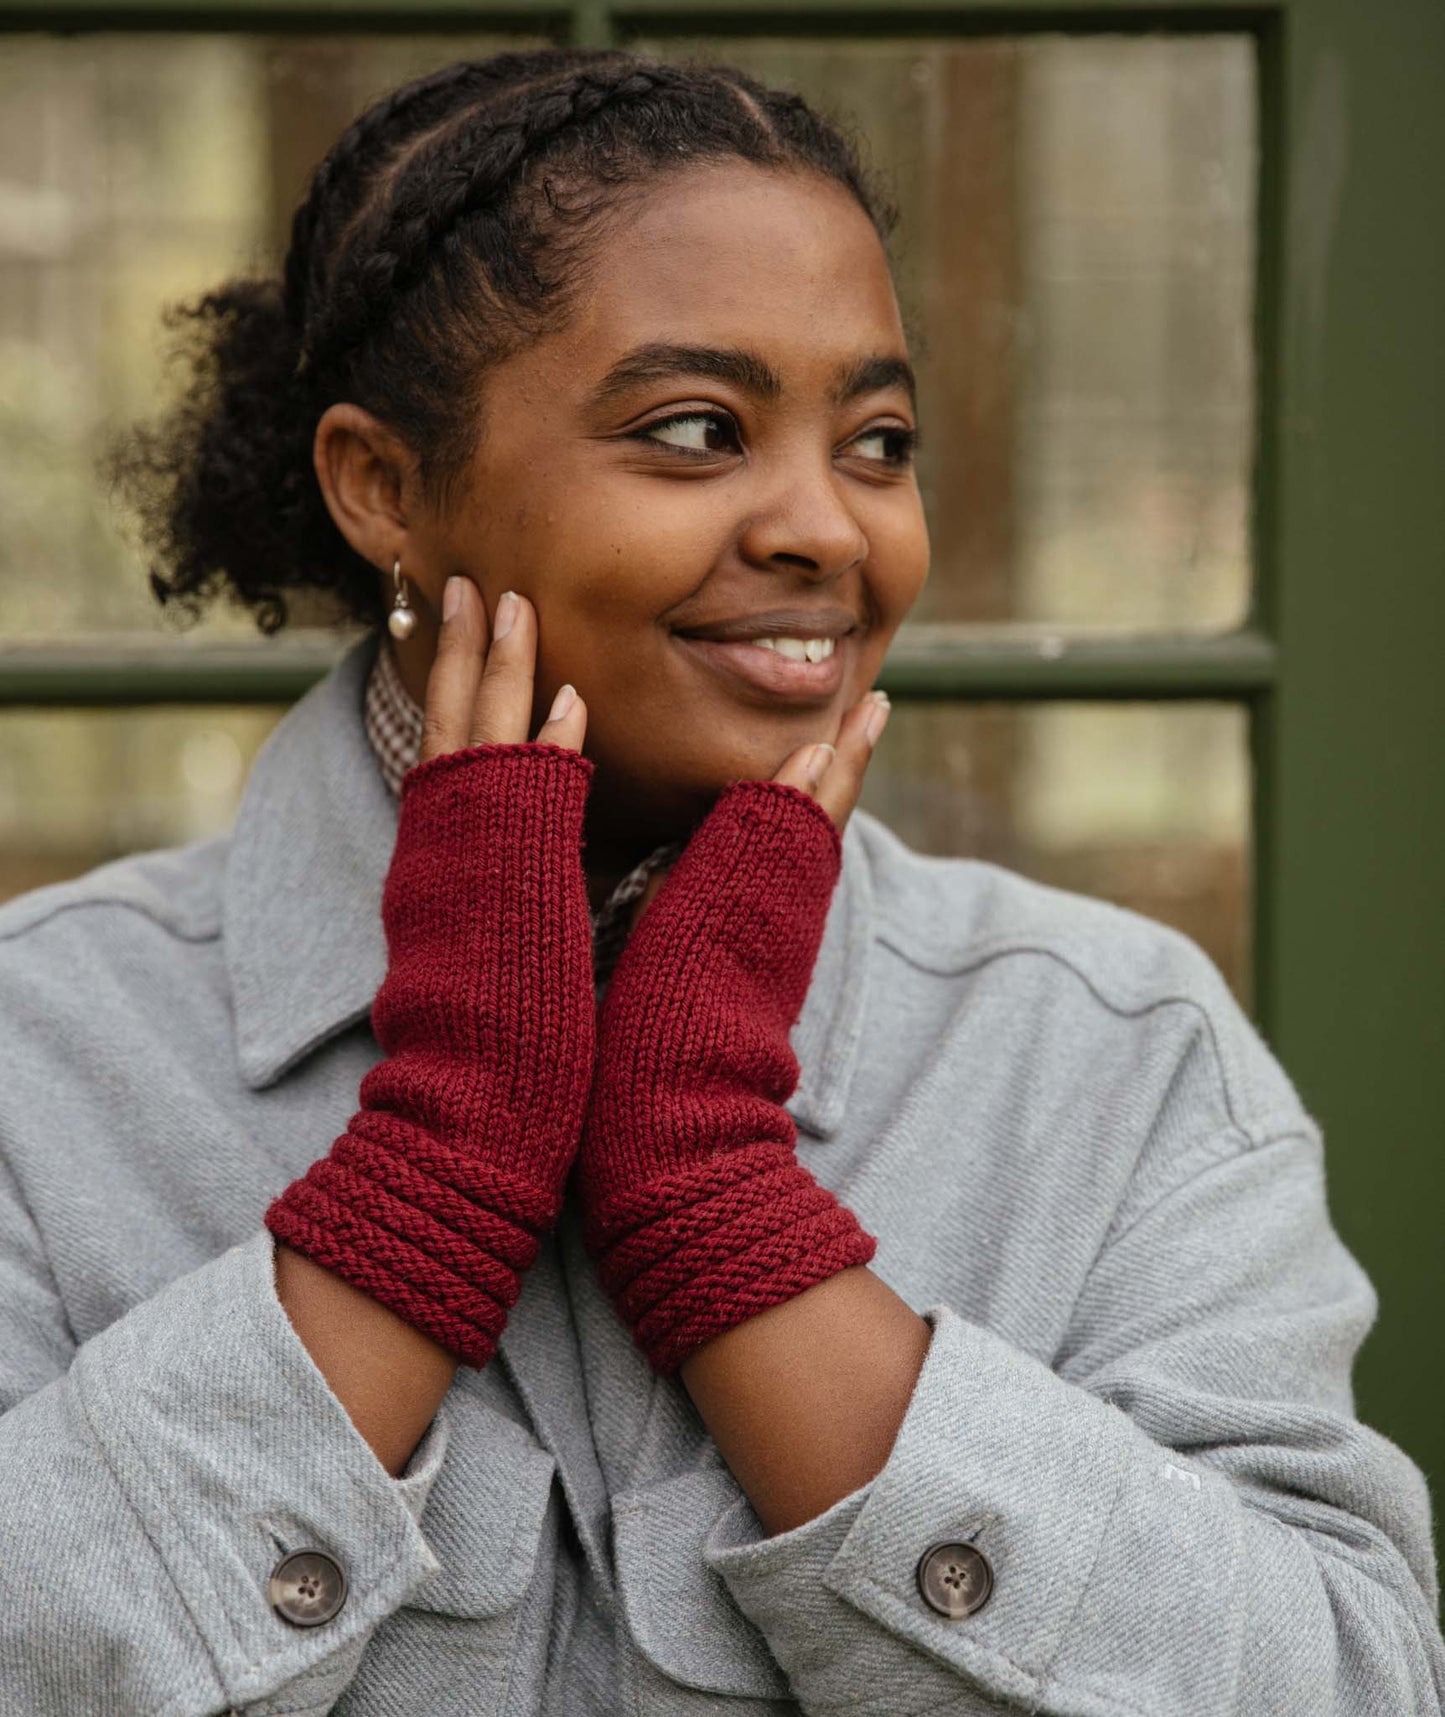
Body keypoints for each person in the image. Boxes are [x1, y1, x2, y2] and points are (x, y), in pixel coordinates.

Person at [0, 44, 1439, 1717]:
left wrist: (721, 1207)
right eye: (696, 431)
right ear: (384, 487)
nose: (830, 528)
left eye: (879, 439)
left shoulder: (1109, 1049)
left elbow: (1345, 1682)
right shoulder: (44, 1054)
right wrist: (431, 1178)